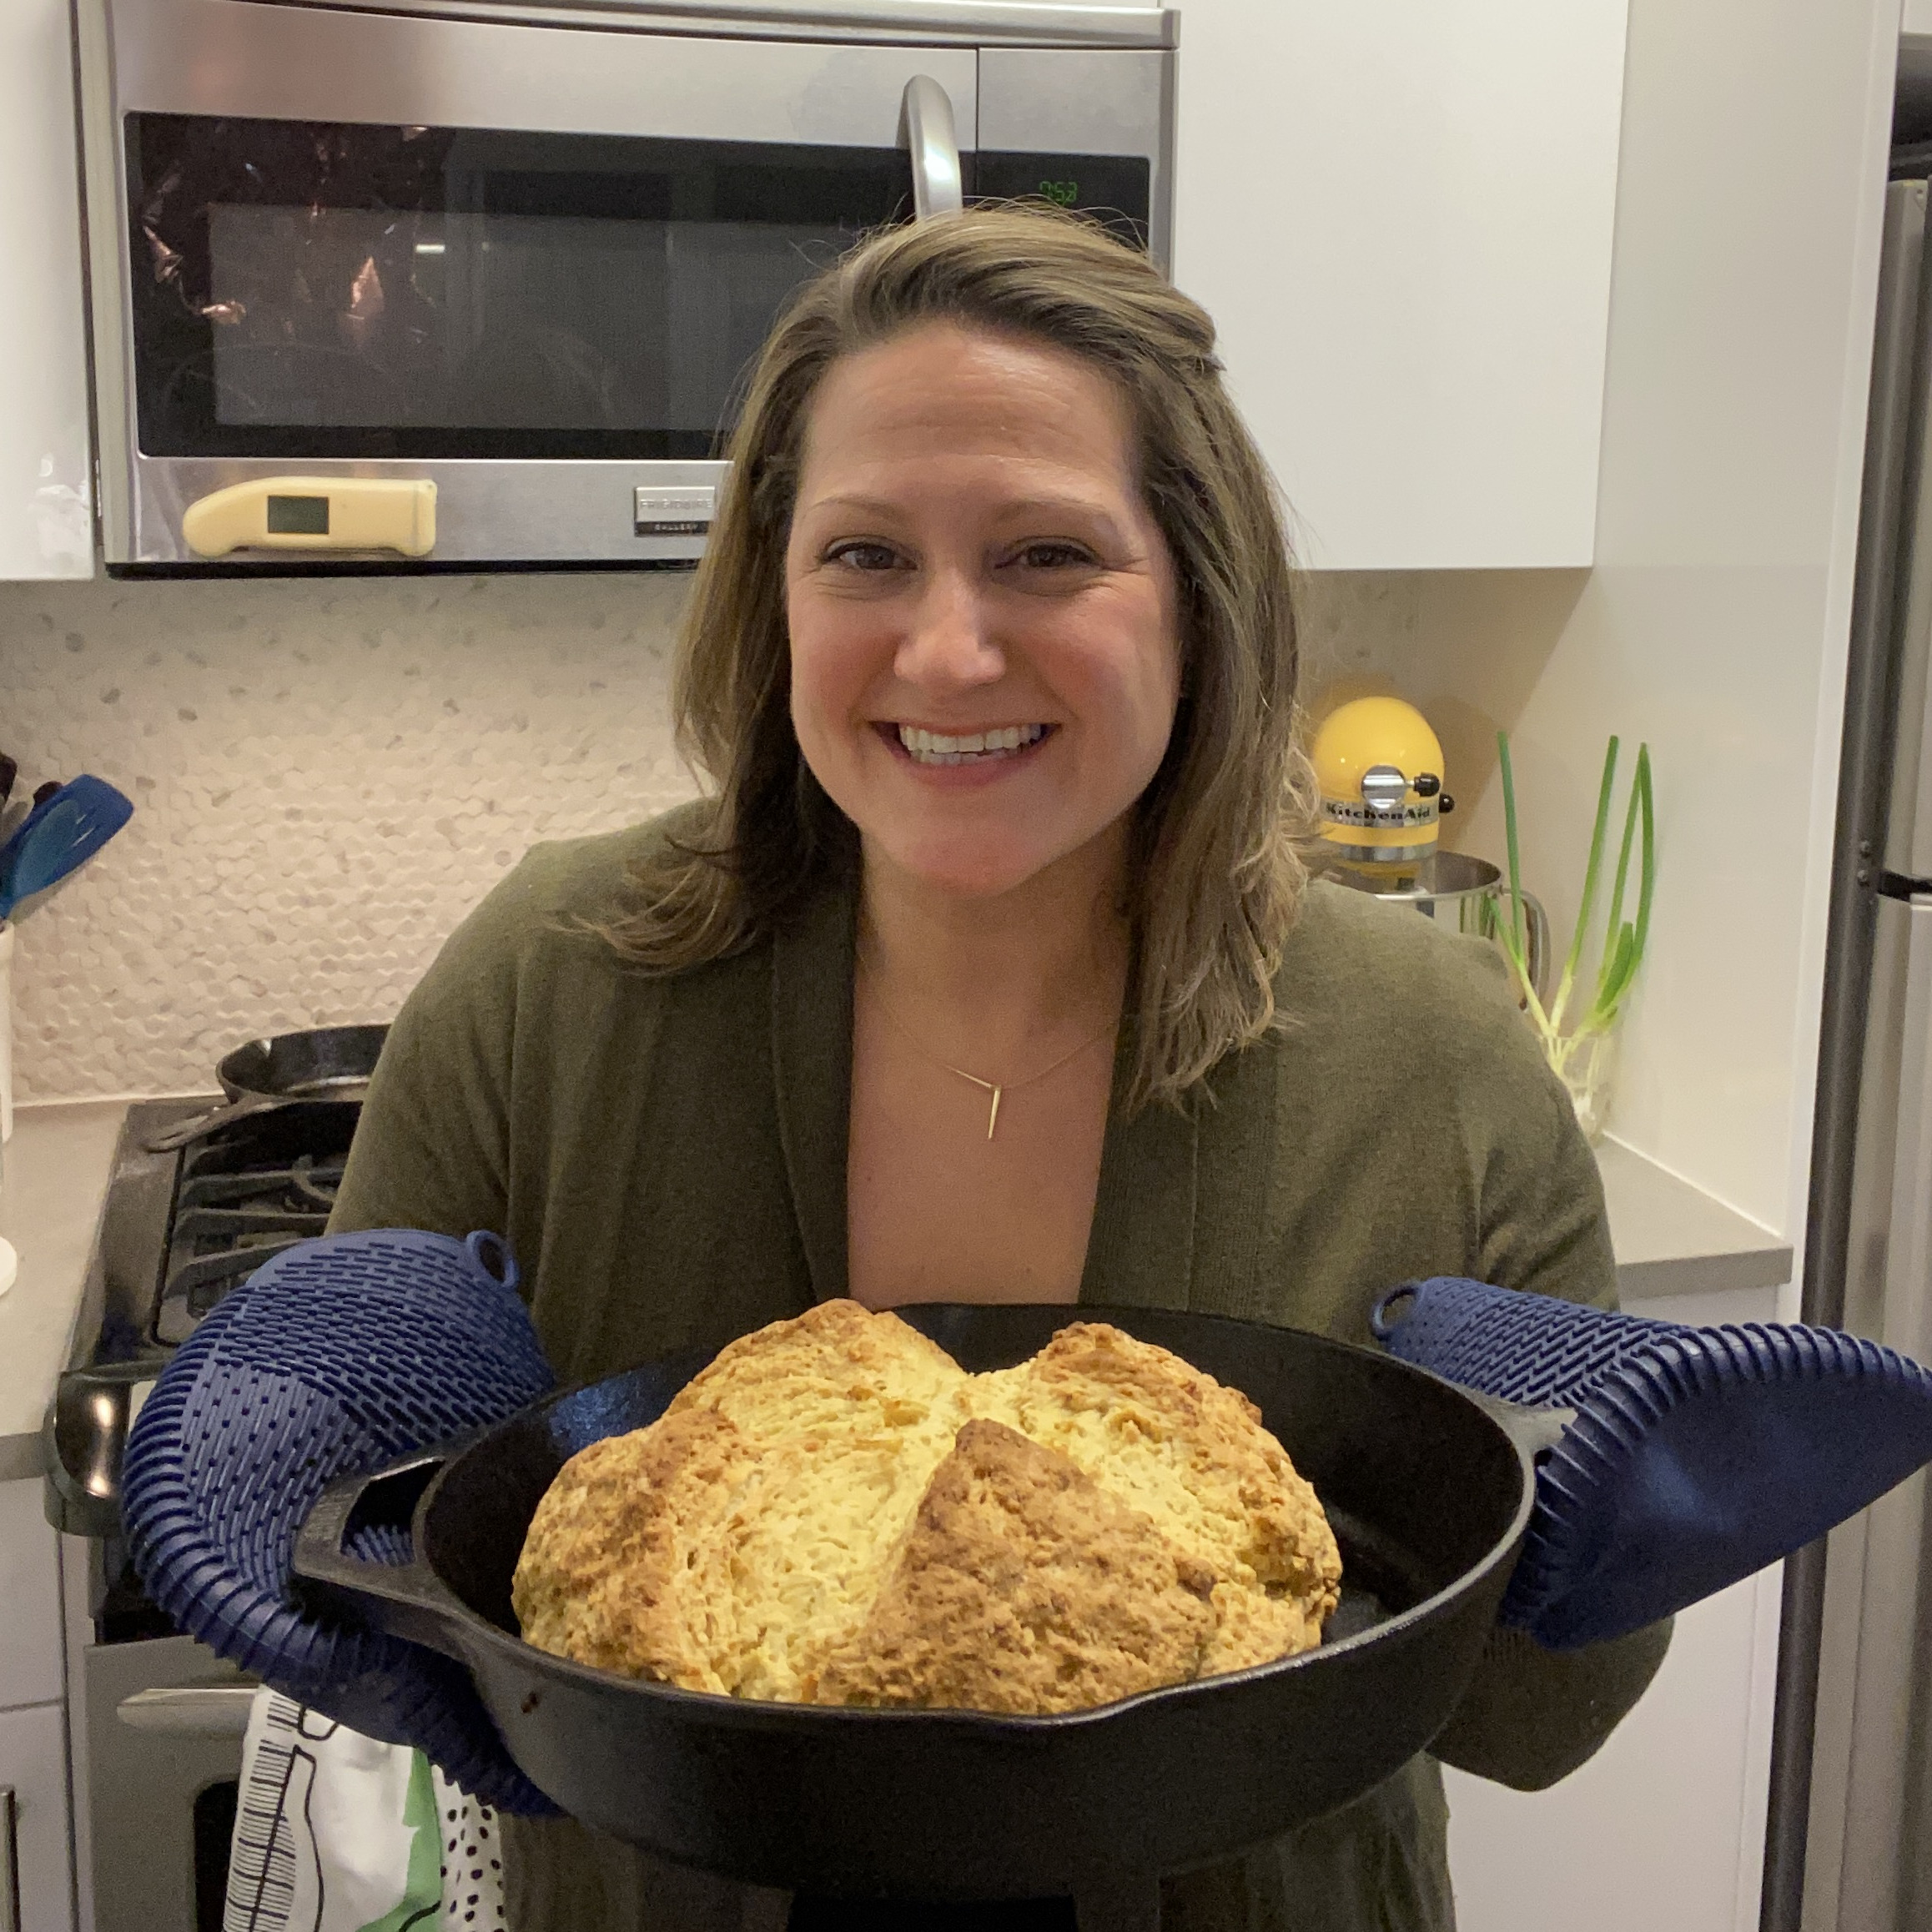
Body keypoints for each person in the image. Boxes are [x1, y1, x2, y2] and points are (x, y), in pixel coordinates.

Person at [330, 204, 1670, 1931]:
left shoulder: (1432, 1056)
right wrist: (327, 1484)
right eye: (865, 555)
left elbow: (1549, 1725)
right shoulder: (555, 985)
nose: (947, 652)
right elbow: (385, 1562)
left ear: (1197, 591)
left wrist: (1586, 1557)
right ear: (774, 585)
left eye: (1047, 554)